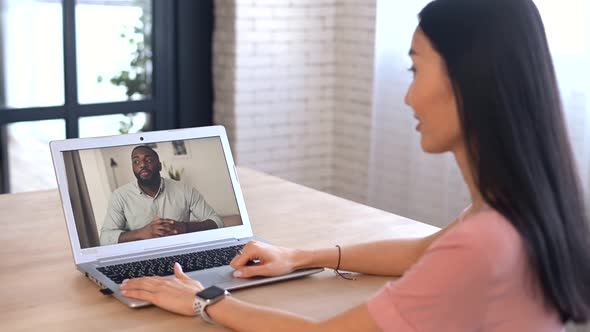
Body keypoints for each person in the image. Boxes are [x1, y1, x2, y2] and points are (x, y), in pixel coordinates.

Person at [119, 0, 590, 330]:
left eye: (415, 69)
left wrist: (205, 300)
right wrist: (300, 257)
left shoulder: (483, 244)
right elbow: (418, 254)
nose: (407, 96)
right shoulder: (512, 211)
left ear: (470, 80)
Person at [99, 145, 223, 245]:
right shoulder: (120, 196)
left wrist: (184, 227)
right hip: (141, 255)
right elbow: (105, 238)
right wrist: (140, 233)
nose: (142, 165)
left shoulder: (185, 189)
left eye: (148, 160)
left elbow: (217, 222)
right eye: (136, 161)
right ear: (133, 167)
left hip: (179, 250)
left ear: (159, 165)